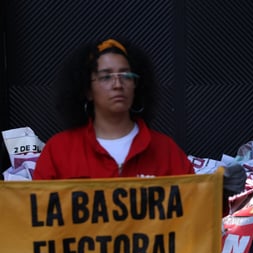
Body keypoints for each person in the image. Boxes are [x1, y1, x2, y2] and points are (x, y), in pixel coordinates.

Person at [33, 38, 194, 179]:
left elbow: (196, 204)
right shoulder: (58, 150)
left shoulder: (166, 150)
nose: (118, 85)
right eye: (106, 77)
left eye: (126, 76)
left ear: (136, 86)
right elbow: (38, 209)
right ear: (87, 90)